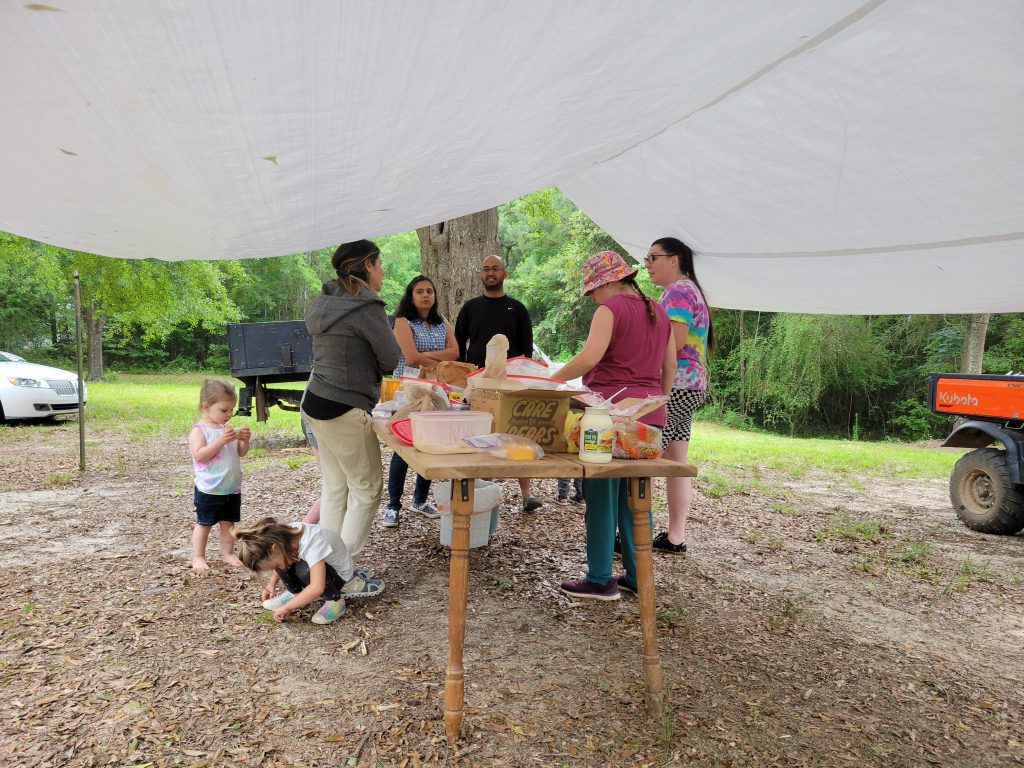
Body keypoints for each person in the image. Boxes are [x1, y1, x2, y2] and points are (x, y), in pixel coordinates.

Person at [551, 251, 675, 600]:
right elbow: (670, 370)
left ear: (608, 282)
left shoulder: (610, 310)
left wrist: (550, 382)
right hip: (650, 417)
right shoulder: (660, 311)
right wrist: (652, 405)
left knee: (601, 495)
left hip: (607, 417)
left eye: (592, 291)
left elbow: (590, 358)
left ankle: (600, 578)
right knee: (637, 500)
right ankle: (638, 576)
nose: (591, 298)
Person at [301, 240, 401, 558]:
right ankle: (340, 572)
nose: (383, 271)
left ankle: (324, 564)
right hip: (344, 407)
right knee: (367, 489)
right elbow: (390, 358)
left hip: (315, 401)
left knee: (335, 487)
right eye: (380, 263)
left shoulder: (324, 302)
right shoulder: (365, 307)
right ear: (368, 266)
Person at [454, 254, 541, 512]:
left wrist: (521, 376)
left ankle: (527, 495)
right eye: (485, 269)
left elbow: (526, 350)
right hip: (478, 384)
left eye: (495, 269)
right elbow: (459, 345)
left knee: (519, 434)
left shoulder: (518, 308)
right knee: (482, 434)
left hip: (511, 384)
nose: (490, 273)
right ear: (480, 275)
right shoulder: (470, 308)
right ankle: (483, 492)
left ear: (504, 273)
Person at [644, 237, 712, 555]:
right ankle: (675, 538)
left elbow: (678, 339)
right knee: (676, 461)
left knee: (644, 457)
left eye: (653, 257)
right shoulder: (690, 289)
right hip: (691, 386)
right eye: (647, 258)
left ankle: (633, 533)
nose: (647, 264)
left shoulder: (678, 291)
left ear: (675, 259)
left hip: (677, 386)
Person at [384, 275, 460, 527]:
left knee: (427, 445)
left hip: (437, 390)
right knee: (402, 448)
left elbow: (456, 353)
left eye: (430, 291)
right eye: (420, 291)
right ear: (411, 296)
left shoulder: (443, 322)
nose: (426, 295)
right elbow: (410, 357)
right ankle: (393, 506)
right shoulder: (402, 322)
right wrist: (436, 358)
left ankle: (420, 499)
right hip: (409, 391)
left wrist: (422, 355)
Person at [233, 517, 384, 625]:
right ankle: (297, 595)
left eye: (272, 566)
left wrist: (288, 607)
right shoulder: (281, 537)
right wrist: (271, 584)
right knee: (283, 563)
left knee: (304, 571)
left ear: (275, 547)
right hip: (318, 566)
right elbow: (279, 562)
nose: (275, 569)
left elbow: (317, 587)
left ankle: (336, 601)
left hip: (340, 574)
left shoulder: (312, 542)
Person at [189, 378, 251, 571]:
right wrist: (220, 442)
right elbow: (200, 456)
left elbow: (240, 453)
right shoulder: (200, 431)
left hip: (231, 487)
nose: (229, 415)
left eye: (231, 410)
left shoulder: (226, 429)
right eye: (224, 410)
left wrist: (244, 441)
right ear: (206, 407)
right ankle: (198, 556)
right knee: (205, 524)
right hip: (209, 488)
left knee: (229, 524)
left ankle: (227, 553)